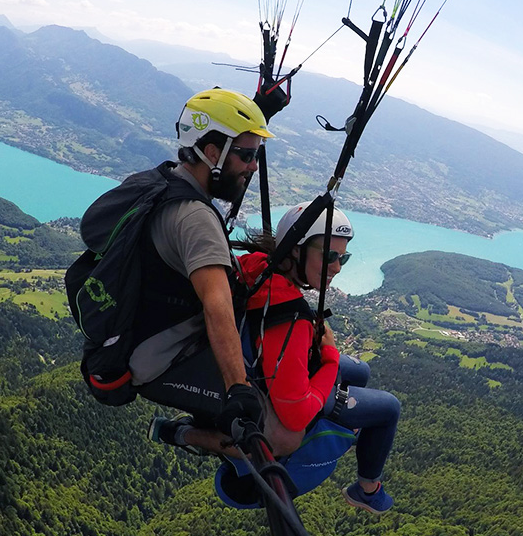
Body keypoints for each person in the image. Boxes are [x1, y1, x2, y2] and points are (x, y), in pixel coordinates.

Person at [152, 203, 402, 514]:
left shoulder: (259, 267)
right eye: (329, 257)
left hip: (251, 362)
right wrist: (329, 359)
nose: (337, 267)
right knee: (389, 408)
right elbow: (295, 415)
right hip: (267, 393)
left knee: (360, 371)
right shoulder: (291, 319)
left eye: (343, 258)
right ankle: (367, 489)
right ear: (296, 251)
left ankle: (182, 433)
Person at [124, 87, 273, 438]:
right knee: (273, 424)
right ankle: (181, 434)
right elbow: (216, 304)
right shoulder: (195, 218)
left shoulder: (162, 181)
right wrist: (238, 387)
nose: (253, 167)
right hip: (158, 359)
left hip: (140, 334)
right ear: (212, 153)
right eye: (247, 155)